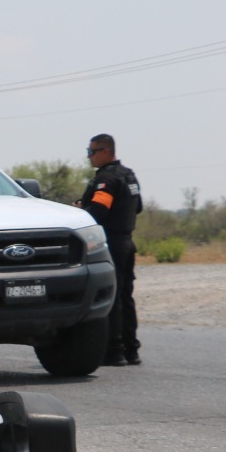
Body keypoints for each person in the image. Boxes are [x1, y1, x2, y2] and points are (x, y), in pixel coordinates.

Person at [77, 133, 143, 367]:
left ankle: (115, 351)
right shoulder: (129, 175)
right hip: (127, 243)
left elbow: (98, 212)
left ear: (105, 151)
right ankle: (131, 349)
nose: (89, 157)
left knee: (111, 296)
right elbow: (138, 207)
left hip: (110, 244)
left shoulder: (106, 179)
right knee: (125, 295)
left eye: (91, 152)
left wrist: (79, 211)